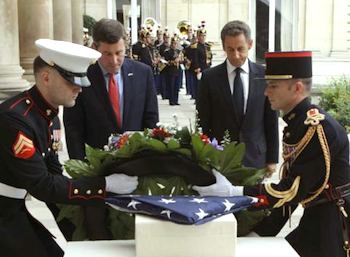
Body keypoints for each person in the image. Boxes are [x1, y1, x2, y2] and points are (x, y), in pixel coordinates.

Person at [193, 51, 350, 257]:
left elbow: (291, 191)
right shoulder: (297, 124)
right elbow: (291, 195)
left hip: (333, 225)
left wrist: (234, 192)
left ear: (297, 88)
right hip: (318, 219)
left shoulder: (316, 127)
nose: (266, 92)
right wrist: (259, 234)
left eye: (273, 86)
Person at [0, 39, 138, 257]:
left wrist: (79, 228)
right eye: (72, 82)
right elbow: (42, 185)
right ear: (46, 77)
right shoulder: (15, 120)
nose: (79, 89)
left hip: (12, 207)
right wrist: (104, 185)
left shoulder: (50, 118)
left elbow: (54, 174)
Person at [63, 18, 159, 239]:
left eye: (120, 53)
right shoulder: (82, 76)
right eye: (107, 54)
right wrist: (81, 171)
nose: (115, 60)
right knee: (98, 228)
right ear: (95, 48)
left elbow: (151, 120)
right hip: (96, 169)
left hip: (136, 166)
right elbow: (74, 128)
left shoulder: (143, 73)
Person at [196, 20, 279, 174]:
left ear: (250, 44)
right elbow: (203, 121)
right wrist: (203, 156)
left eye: (240, 49)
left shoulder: (264, 75)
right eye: (230, 49)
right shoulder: (209, 78)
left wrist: (272, 159)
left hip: (256, 159)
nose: (235, 55)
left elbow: (271, 120)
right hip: (220, 160)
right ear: (223, 47)